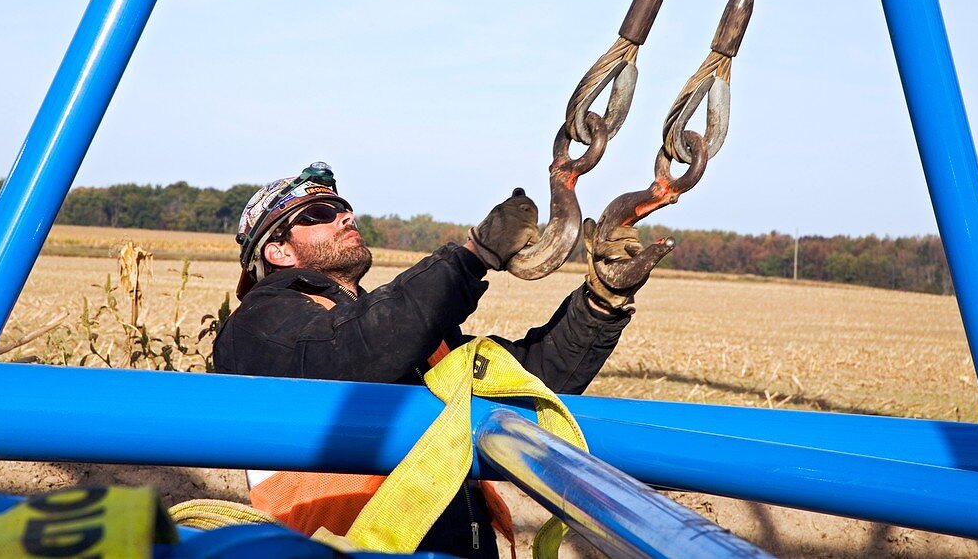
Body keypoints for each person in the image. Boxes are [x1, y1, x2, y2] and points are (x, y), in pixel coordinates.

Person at [213, 162, 665, 558]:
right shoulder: (261, 321)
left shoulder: (402, 333)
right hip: (349, 548)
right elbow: (351, 352)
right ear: (279, 252)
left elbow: (527, 382)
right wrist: (472, 258)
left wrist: (601, 303)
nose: (344, 215)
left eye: (343, 205)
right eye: (319, 214)